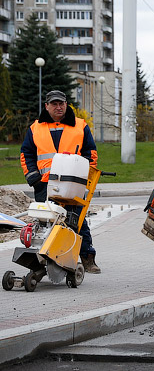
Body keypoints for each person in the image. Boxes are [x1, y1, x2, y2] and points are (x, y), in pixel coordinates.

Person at [20, 90, 101, 274]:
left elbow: (91, 153)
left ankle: (87, 258)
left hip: (73, 185)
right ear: (47, 106)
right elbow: (26, 153)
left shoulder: (80, 126)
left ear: (66, 104)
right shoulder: (35, 128)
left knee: (77, 222)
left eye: (61, 103)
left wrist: (85, 178)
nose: (58, 107)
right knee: (45, 222)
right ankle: (45, 257)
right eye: (54, 104)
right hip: (45, 185)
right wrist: (33, 177)